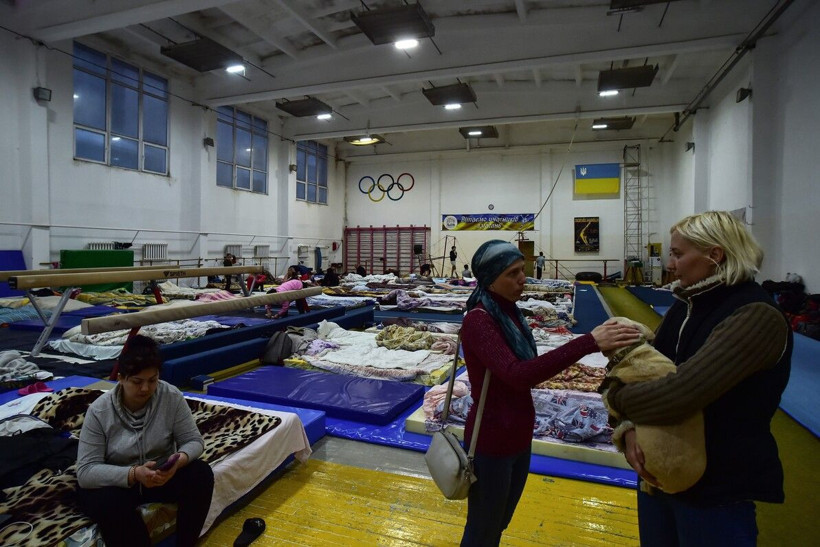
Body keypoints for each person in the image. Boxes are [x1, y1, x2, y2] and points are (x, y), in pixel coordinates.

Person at [604, 211, 792, 546]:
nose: (671, 265)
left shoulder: (755, 315)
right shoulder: (685, 305)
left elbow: (680, 394)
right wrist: (628, 429)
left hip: (717, 490)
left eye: (678, 254)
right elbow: (633, 367)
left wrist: (615, 400)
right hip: (657, 475)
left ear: (714, 255)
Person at [459, 240, 641, 546]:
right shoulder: (479, 320)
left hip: (518, 436)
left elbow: (527, 367)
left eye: (523, 270)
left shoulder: (511, 313)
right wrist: (588, 343)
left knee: (499, 521)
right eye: (512, 273)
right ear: (490, 278)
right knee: (482, 528)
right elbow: (518, 375)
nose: (522, 278)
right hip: (492, 441)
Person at [77, 335, 214, 547]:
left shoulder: (170, 396)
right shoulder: (100, 411)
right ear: (120, 378)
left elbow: (193, 440)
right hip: (121, 481)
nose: (145, 389)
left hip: (160, 477)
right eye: (137, 382)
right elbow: (86, 471)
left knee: (201, 473)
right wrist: (133, 474)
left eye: (153, 380)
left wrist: (179, 460)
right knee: (106, 502)